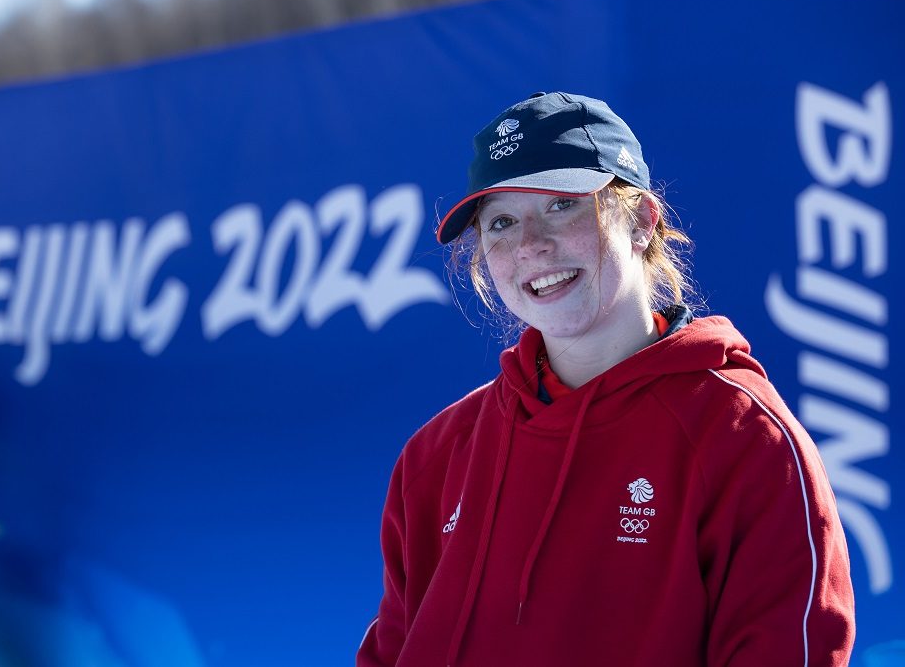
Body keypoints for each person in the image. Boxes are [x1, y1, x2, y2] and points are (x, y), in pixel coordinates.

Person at [357, 91, 855, 666]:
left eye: (561, 206)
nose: (531, 246)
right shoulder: (436, 457)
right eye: (501, 223)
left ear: (641, 221)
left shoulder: (744, 439)